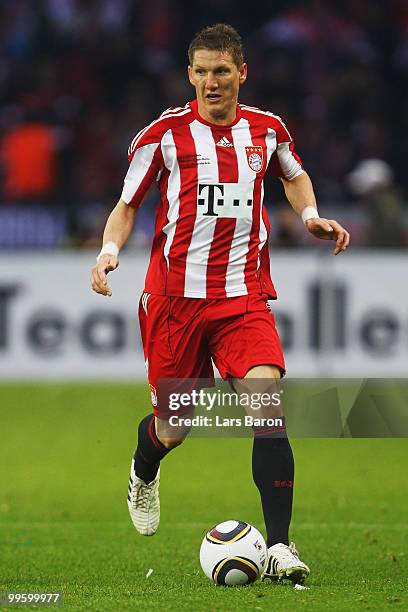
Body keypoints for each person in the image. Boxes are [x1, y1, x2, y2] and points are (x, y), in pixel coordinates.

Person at [91, 23, 350, 584]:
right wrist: (110, 252)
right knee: (173, 426)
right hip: (173, 301)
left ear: (241, 73)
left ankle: (280, 547)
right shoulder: (163, 135)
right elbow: (127, 204)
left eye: (222, 71)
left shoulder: (267, 130)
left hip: (242, 297)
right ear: (190, 75)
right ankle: (144, 465)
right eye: (202, 72)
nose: (212, 82)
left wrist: (309, 216)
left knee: (266, 406)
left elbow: (295, 175)